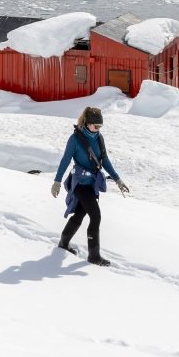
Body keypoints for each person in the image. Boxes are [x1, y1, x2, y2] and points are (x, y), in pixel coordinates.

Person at [50, 106, 128, 265]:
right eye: (95, 126)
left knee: (80, 214)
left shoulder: (99, 138)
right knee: (96, 216)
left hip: (91, 184)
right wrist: (57, 181)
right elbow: (65, 160)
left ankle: (63, 243)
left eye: (100, 126)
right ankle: (93, 256)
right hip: (80, 183)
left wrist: (118, 179)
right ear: (87, 123)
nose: (98, 129)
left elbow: (104, 160)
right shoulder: (75, 139)